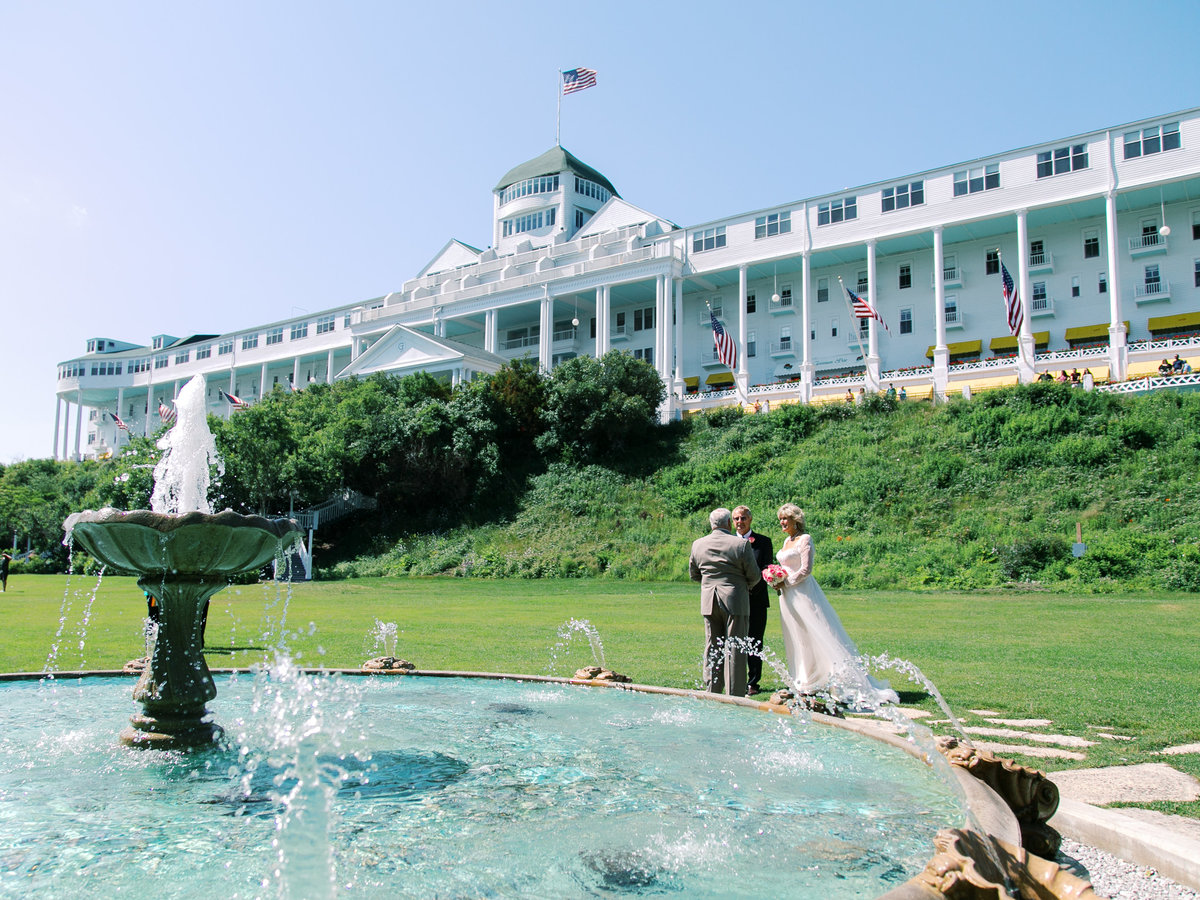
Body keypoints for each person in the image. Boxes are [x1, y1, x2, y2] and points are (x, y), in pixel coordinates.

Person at [773, 504, 898, 709]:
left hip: (803, 593)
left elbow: (806, 569)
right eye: (781, 519)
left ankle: (839, 680)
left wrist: (785, 581)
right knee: (798, 635)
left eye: (786, 519)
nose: (782, 523)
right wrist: (776, 578)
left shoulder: (805, 539)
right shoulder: (787, 541)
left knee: (819, 632)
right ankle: (806, 679)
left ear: (796, 520)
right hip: (787, 596)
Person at [689, 507, 761, 697]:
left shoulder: (698, 544)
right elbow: (754, 576)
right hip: (735, 599)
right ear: (729, 523)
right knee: (735, 647)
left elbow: (694, 574)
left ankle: (712, 690)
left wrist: (709, 583)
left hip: (708, 600)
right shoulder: (740, 544)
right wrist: (742, 585)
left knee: (712, 646)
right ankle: (735, 694)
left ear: (711, 524)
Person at [732, 505, 774, 694]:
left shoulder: (763, 542)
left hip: (756, 599)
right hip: (733, 599)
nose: (739, 522)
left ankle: (753, 682)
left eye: (742, 518)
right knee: (733, 640)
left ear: (750, 520)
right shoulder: (728, 541)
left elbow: (766, 567)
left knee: (755, 640)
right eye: (736, 519)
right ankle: (733, 679)